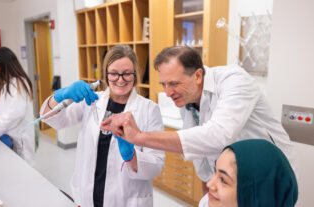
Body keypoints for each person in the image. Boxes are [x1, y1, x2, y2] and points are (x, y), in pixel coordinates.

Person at [100, 46, 296, 194]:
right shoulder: (188, 98)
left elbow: (218, 135)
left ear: (198, 75)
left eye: (174, 83)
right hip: (229, 179)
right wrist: (207, 183)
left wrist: (141, 137)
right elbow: (202, 152)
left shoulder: (235, 81)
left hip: (269, 176)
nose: (168, 92)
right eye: (164, 84)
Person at [40, 44, 165, 207]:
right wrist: (61, 95)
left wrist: (131, 156)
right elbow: (51, 119)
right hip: (88, 197)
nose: (120, 80)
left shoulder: (149, 109)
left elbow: (156, 164)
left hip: (126, 200)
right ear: (105, 74)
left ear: (135, 74)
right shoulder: (92, 101)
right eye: (114, 73)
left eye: (127, 73)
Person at [199, 139, 298, 207]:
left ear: (257, 198)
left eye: (223, 180)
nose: (209, 184)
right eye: (215, 171)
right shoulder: (207, 202)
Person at [0, 47, 35, 164]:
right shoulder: (10, 83)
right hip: (12, 136)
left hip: (20, 139)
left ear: (5, 64)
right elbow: (5, 112)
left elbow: (16, 113)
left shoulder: (18, 83)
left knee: (23, 171)